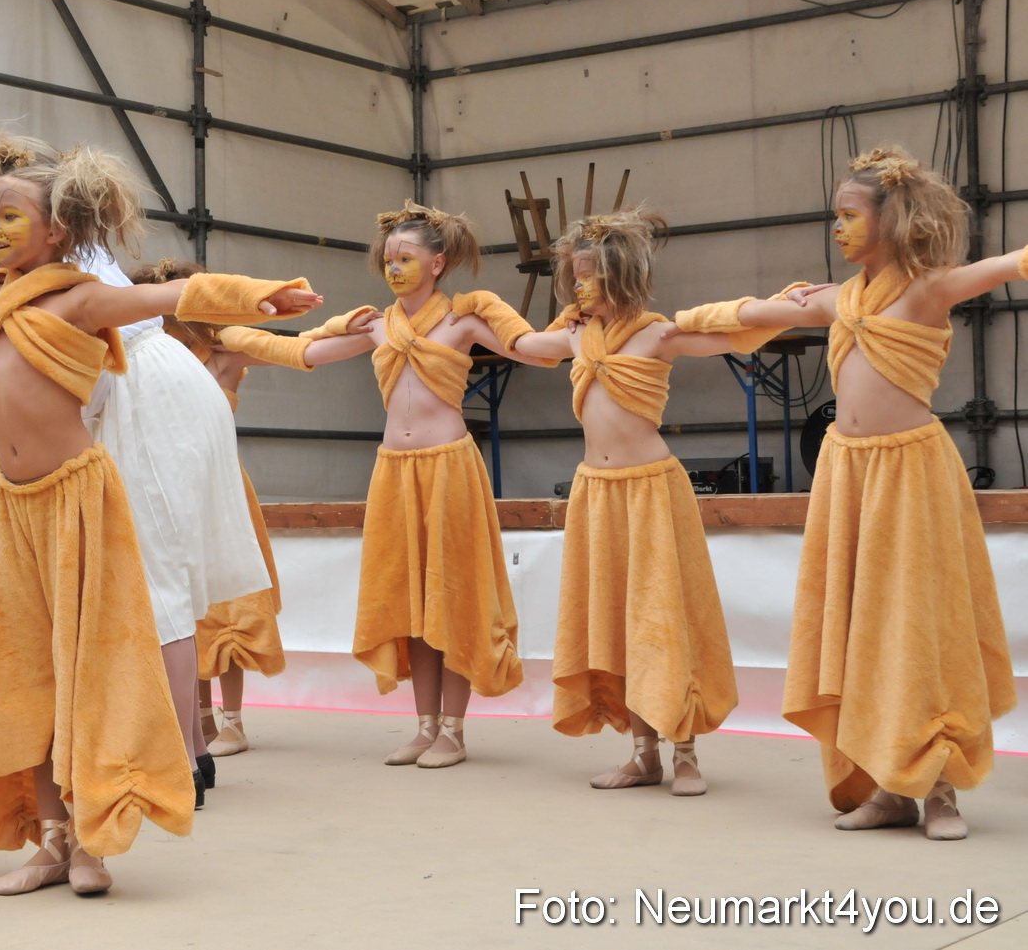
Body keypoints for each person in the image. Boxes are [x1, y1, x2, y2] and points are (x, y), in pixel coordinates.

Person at [0, 130, 319, 896]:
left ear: (59, 230)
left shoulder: (79, 296)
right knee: (22, 670)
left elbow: (173, 296)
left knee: (83, 671)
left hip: (75, 502)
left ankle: (94, 840)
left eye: (10, 216)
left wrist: (258, 294)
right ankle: (49, 837)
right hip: (8, 508)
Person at [670, 147, 1018, 839]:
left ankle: (939, 786)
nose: (835, 227)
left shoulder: (927, 288)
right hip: (847, 474)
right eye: (834, 216)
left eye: (848, 215)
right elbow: (746, 318)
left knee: (918, 624)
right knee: (858, 623)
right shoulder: (834, 298)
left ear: (893, 221)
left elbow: (1010, 265)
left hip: (911, 475)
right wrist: (670, 325)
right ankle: (884, 785)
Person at [270, 204, 543, 767]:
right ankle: (424, 725)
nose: (395, 268)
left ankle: (454, 731)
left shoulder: (465, 319)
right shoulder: (376, 324)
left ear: (438, 262)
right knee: (411, 600)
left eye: (407, 258)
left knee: (453, 596)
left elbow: (531, 349)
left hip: (449, 469)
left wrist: (586, 330)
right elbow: (306, 352)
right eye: (388, 259)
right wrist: (232, 331)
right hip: (394, 471)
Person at [503, 209, 739, 797]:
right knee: (613, 620)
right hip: (596, 494)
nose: (582, 287)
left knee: (662, 617)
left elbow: (734, 337)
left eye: (592, 276)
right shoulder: (577, 334)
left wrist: (794, 305)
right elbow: (523, 345)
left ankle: (684, 753)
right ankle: (643, 755)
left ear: (623, 276)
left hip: (652, 489)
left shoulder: (657, 332)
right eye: (575, 277)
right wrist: (477, 308)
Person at [73, 245, 275, 806]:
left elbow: (169, 297)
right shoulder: (82, 259)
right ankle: (193, 748)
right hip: (160, 388)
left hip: (145, 395)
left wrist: (258, 296)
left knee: (161, 582)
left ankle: (182, 760)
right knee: (167, 580)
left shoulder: (71, 265)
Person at [124, 260, 293, 760]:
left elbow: (295, 350)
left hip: (216, 489)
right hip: (160, 491)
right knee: (180, 610)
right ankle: (194, 721)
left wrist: (342, 331)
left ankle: (233, 720)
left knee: (230, 609)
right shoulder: (132, 354)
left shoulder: (222, 348)